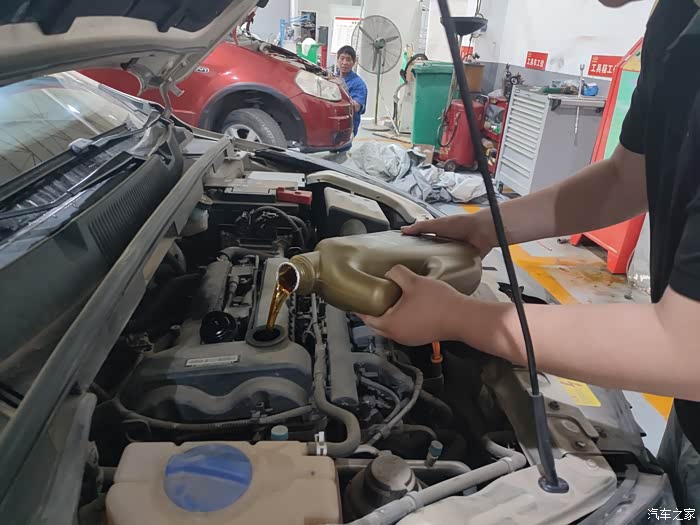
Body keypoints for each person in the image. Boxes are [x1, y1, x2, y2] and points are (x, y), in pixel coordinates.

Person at [359, 0, 700, 512]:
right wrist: (487, 226)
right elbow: (627, 177)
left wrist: (459, 318)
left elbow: (687, 346)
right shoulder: (677, 21)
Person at [336, 45, 368, 138]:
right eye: (342, 58)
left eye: (348, 59)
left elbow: (357, 107)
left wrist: (343, 89)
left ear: (354, 62)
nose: (344, 63)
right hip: (332, 123)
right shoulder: (333, 77)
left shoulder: (359, 84)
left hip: (347, 128)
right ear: (337, 60)